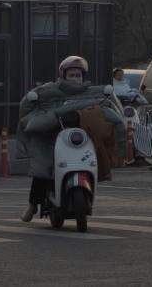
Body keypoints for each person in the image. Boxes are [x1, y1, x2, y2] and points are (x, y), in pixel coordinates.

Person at [17, 56, 127, 222]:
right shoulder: (48, 92)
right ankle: (33, 205)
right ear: (63, 76)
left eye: (78, 75)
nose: (75, 79)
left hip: (82, 140)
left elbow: (112, 114)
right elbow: (29, 110)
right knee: (42, 168)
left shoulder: (94, 94)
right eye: (71, 75)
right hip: (52, 139)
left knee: (97, 157)